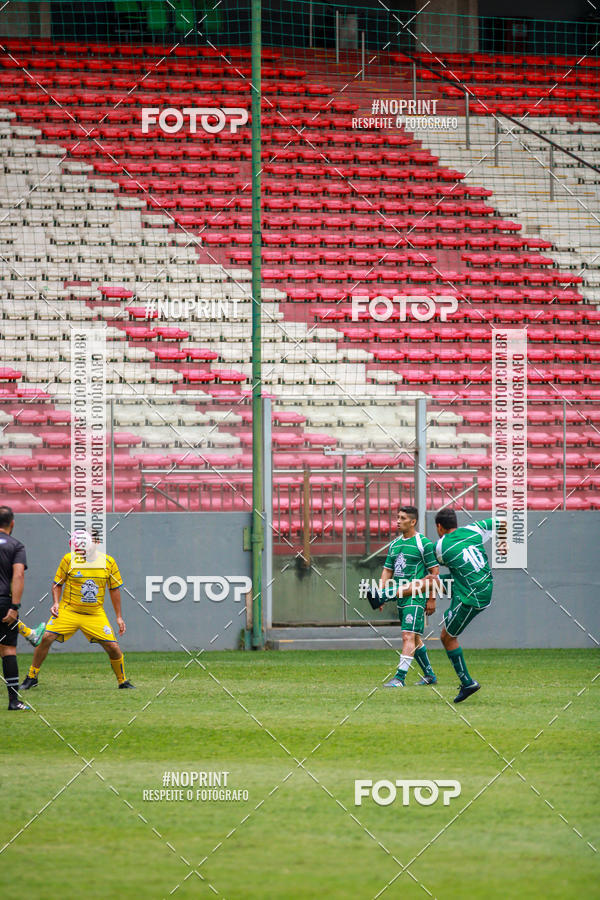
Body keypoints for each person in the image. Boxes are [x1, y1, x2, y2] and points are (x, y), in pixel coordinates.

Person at [21, 531, 134, 691]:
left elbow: (114, 589)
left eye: (92, 540)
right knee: (46, 637)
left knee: (113, 647)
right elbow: (57, 584)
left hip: (95, 614)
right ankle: (32, 677)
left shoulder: (108, 562)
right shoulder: (69, 559)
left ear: (97, 542)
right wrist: (56, 603)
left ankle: (122, 682)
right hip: (69, 611)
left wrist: (119, 617)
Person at [434, 508, 496, 703]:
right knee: (428, 581)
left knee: (447, 637)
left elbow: (434, 564)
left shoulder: (441, 546)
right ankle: (386, 594)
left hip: (471, 593)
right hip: (483, 584)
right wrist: (505, 545)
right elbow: (502, 521)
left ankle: (468, 683)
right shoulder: (473, 529)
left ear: (439, 527)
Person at [374, 506, 440, 688]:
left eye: (402, 518)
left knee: (407, 635)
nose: (397, 520)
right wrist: (381, 594)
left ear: (413, 522)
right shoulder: (395, 544)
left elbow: (434, 571)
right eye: (397, 517)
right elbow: (387, 571)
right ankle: (430, 675)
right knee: (415, 638)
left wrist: (431, 598)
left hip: (416, 596)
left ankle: (399, 678)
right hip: (400, 596)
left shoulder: (423, 543)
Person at [0, 506, 30, 710]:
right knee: (8, 649)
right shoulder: (16, 546)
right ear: (12, 523)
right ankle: (14, 701)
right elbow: (18, 575)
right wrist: (15, 606)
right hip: (3, 602)